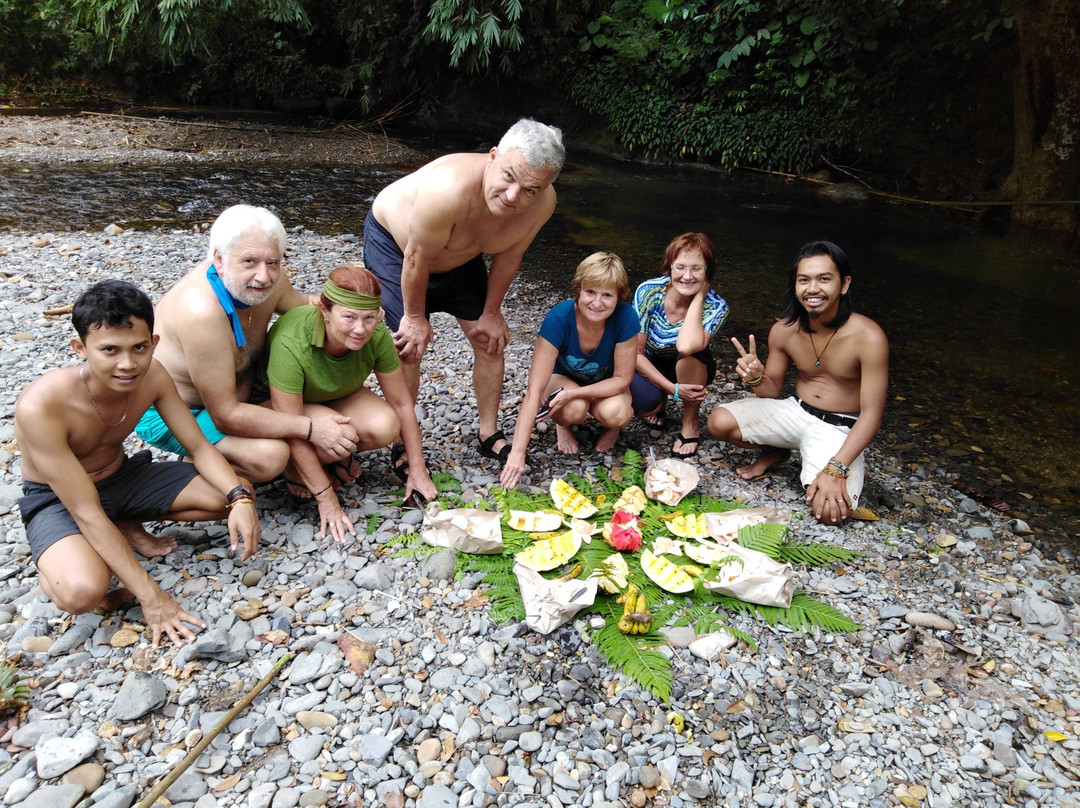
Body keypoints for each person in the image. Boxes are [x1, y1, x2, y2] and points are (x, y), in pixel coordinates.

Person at [15, 280, 262, 646]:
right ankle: (58, 556)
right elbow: (85, 510)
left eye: (139, 347)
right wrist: (153, 597)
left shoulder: (153, 375)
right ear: (80, 348)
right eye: (110, 350)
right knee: (82, 592)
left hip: (121, 478)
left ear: (154, 343)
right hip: (60, 500)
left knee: (228, 493)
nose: (128, 364)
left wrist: (240, 498)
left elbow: (199, 446)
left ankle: (122, 524)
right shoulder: (42, 406)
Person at [363, 118, 565, 469]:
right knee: (408, 347)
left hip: (460, 254)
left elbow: (510, 256)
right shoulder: (447, 189)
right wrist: (414, 317)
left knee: (490, 340)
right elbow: (416, 257)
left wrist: (491, 312)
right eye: (509, 177)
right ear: (493, 156)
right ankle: (402, 443)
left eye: (530, 190)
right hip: (399, 251)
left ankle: (488, 434)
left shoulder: (543, 203)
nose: (513, 196)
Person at [136, 204, 360, 483]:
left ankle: (244, 457)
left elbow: (303, 304)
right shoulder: (202, 314)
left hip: (240, 396)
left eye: (273, 262)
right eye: (249, 261)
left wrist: (353, 308)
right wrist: (310, 428)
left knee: (351, 429)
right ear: (219, 258)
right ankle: (195, 464)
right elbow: (225, 415)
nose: (263, 276)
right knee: (271, 457)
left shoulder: (268, 281)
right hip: (180, 413)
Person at [706, 241, 889, 525]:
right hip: (796, 411)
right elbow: (771, 391)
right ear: (795, 285)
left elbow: (872, 414)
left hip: (839, 428)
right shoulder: (784, 330)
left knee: (830, 514)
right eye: (804, 280)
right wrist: (755, 376)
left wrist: (836, 468)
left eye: (824, 279)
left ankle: (818, 461)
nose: (812, 289)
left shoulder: (869, 337)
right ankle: (777, 451)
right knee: (719, 421)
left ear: (844, 284)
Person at [264, 265, 437, 542]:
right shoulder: (292, 340)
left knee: (385, 425)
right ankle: (295, 469)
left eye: (369, 318)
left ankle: (328, 458)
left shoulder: (376, 334)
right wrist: (327, 499)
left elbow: (402, 403)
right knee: (341, 433)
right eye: (349, 317)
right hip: (275, 409)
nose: (360, 329)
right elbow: (291, 425)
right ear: (325, 310)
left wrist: (418, 469)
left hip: (330, 397)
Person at [500, 252, 638, 489]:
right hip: (563, 378)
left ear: (619, 296)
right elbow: (534, 392)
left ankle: (612, 429)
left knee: (618, 413)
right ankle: (563, 426)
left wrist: (574, 393)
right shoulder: (559, 318)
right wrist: (517, 453)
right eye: (590, 292)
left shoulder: (626, 317)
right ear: (578, 289)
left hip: (605, 383)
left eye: (607, 295)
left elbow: (622, 379)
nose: (597, 303)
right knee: (572, 410)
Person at [630, 232, 729, 458]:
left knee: (690, 354)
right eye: (680, 267)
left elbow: (686, 346)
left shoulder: (717, 306)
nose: (687, 276)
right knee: (645, 405)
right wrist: (671, 390)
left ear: (708, 271)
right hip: (651, 360)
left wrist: (698, 298)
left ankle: (690, 422)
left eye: (696, 268)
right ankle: (660, 403)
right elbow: (635, 353)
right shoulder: (648, 291)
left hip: (691, 364)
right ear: (670, 267)